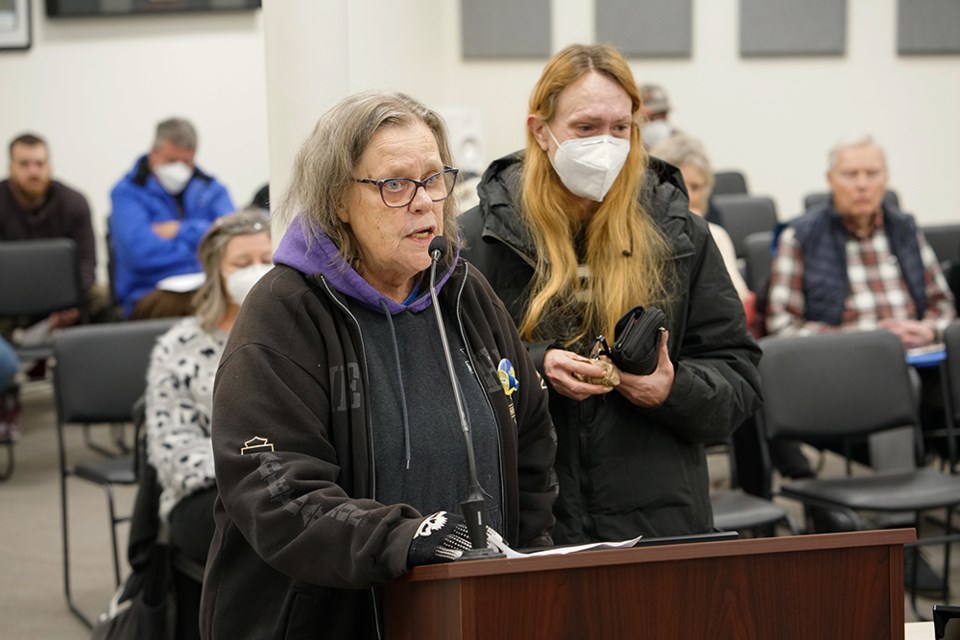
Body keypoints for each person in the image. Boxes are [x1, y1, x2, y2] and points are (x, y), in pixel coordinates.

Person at [199, 91, 557, 639]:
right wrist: (403, 541)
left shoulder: (464, 293)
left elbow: (528, 437)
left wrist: (530, 570)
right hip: (326, 620)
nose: (423, 202)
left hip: (471, 610)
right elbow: (276, 490)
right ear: (338, 199)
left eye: (434, 178)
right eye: (394, 184)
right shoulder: (285, 313)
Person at [460, 44, 762, 543]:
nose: (605, 144)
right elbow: (448, 377)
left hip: (659, 519)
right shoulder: (480, 241)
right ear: (540, 130)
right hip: (534, 521)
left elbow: (739, 382)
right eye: (584, 128)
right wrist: (536, 368)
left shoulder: (680, 235)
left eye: (620, 128)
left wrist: (671, 388)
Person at [145, 208, 272, 640]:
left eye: (266, 258)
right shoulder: (180, 347)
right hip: (206, 494)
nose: (256, 270)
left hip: (284, 484)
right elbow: (172, 450)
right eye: (241, 263)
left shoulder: (292, 333)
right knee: (267, 534)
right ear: (215, 272)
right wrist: (248, 473)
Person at [109, 118, 234, 318]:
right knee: (203, 302)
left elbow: (230, 238)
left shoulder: (212, 189)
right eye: (171, 161)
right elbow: (141, 253)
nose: (180, 169)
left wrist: (179, 230)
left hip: (207, 285)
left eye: (186, 161)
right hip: (148, 293)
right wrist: (204, 250)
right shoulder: (126, 193)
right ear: (153, 152)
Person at [0, 133, 110, 329]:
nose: (33, 172)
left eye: (39, 163)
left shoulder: (74, 202)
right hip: (7, 299)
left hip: (67, 298)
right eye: (24, 164)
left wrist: (66, 300)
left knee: (104, 298)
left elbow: (87, 263)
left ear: (49, 166)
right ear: (11, 168)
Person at [649, 134, 749, 304]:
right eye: (677, 183)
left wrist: (696, 233)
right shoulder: (637, 234)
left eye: (695, 187)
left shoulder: (714, 234)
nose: (687, 195)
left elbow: (738, 300)